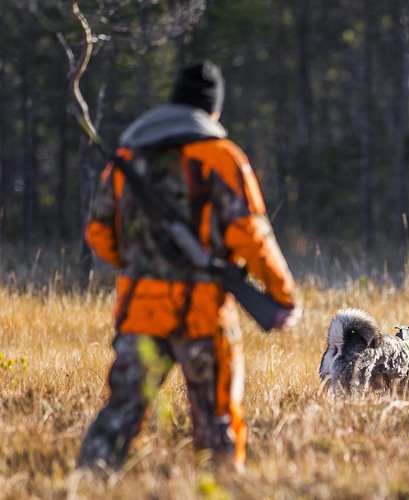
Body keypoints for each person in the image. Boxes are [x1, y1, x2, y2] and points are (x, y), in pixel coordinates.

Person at [79, 60, 299, 472]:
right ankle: (222, 487)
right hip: (203, 316)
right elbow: (250, 234)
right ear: (213, 110)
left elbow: (98, 232)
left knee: (121, 412)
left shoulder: (127, 157)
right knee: (217, 422)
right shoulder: (223, 158)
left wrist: (138, 264)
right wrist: (283, 296)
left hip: (140, 313)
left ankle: (87, 484)